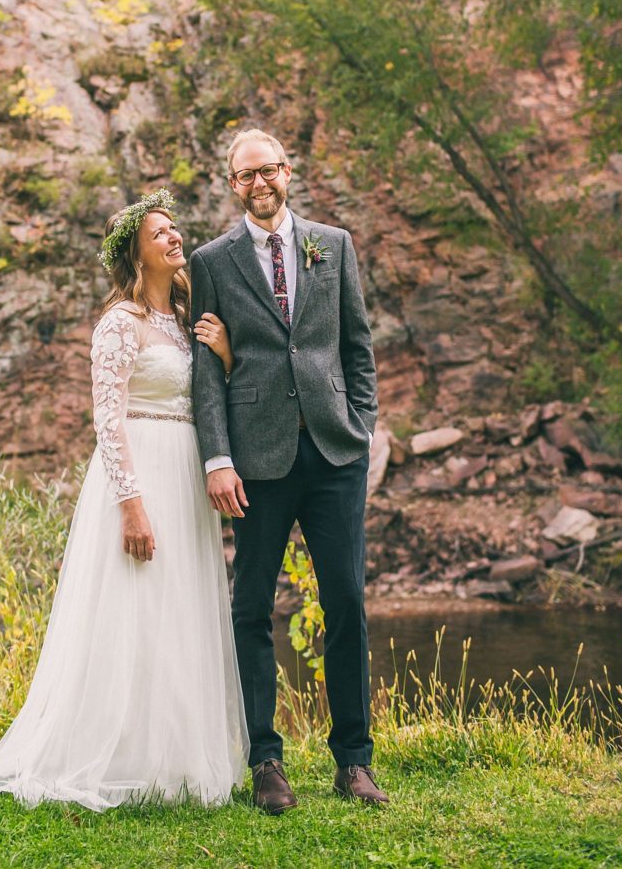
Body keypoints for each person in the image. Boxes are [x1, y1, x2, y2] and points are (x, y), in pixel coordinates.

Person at [0, 189, 248, 811]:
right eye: (161, 234)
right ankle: (115, 753)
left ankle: (174, 757)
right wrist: (130, 504)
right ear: (137, 254)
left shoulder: (186, 323)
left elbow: (215, 395)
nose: (174, 238)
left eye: (174, 229)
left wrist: (225, 354)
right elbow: (107, 420)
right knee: (132, 612)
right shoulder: (118, 323)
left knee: (179, 612)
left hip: (185, 476)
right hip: (139, 476)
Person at [190, 129, 388, 814]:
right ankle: (266, 760)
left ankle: (353, 761)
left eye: (268, 170)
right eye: (246, 176)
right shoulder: (211, 261)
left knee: (348, 604)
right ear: (232, 183)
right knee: (250, 608)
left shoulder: (333, 244)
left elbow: (356, 343)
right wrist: (217, 457)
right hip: (257, 460)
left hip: (335, 452)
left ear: (287, 170)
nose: (260, 183)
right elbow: (205, 374)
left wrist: (360, 424)